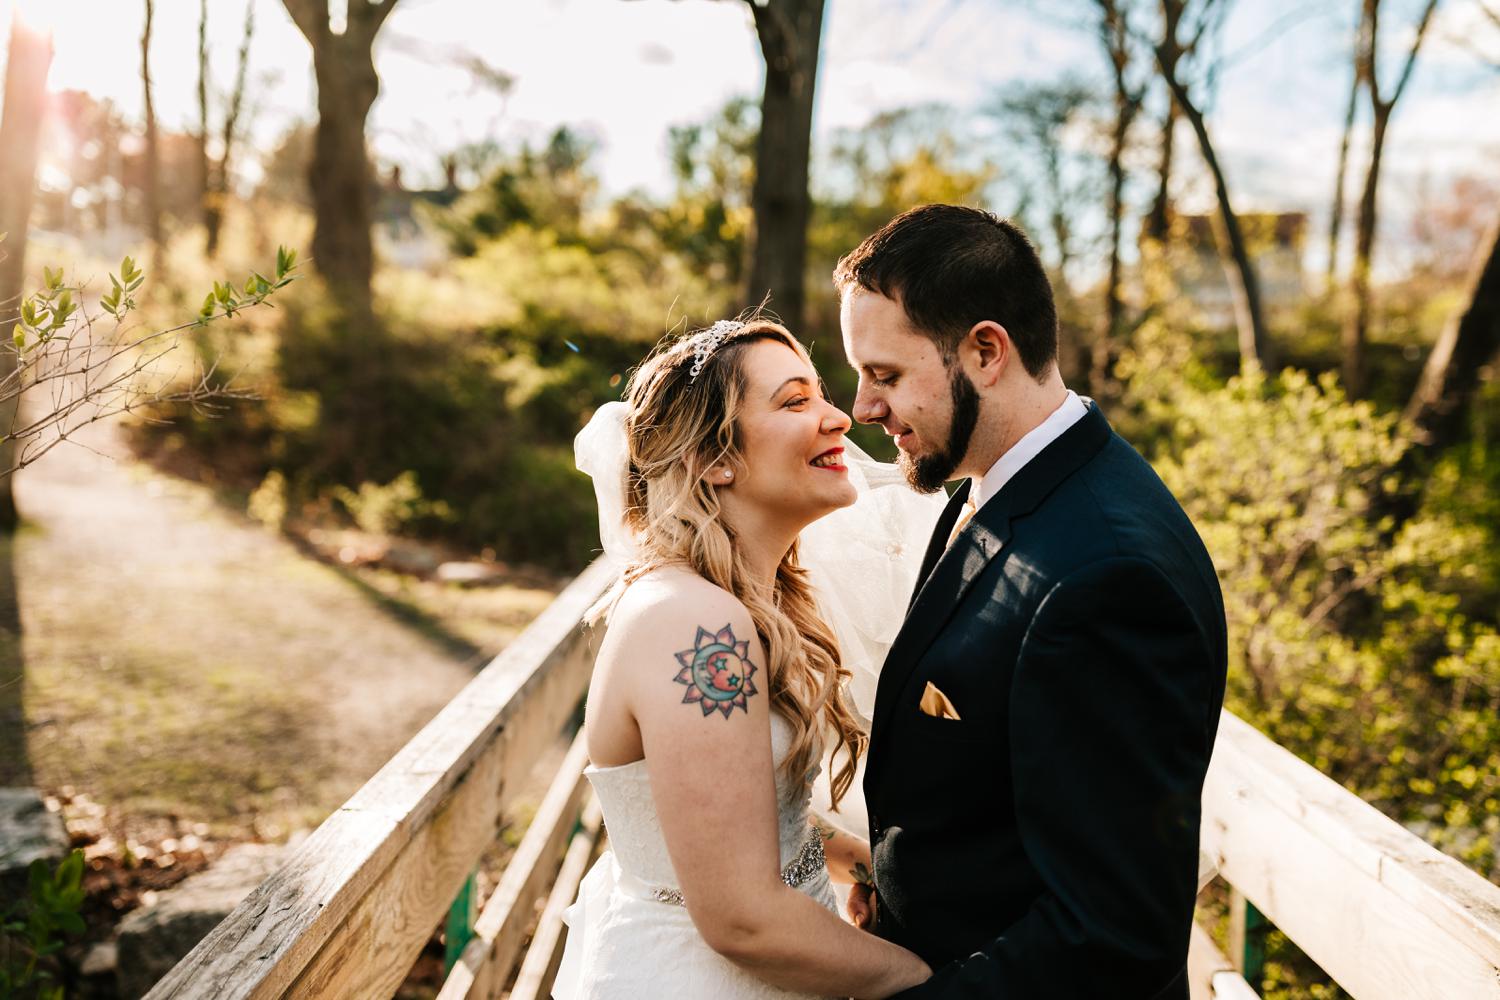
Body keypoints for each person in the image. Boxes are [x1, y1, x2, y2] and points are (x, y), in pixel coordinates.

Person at [835, 204, 1228, 999]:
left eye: (885, 375)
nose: (863, 411)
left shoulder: (1106, 579)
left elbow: (1112, 934)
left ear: (985, 351)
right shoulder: (998, 482)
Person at [554, 318, 933, 999]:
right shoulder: (694, 623)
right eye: (794, 402)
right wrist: (938, 983)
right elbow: (742, 920)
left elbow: (743, 820)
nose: (838, 417)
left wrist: (862, 867)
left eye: (821, 394)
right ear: (713, 457)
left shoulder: (735, 605)